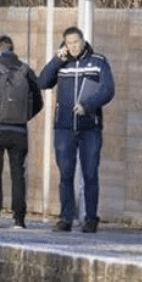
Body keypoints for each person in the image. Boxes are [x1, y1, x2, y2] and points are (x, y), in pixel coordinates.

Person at [37, 26, 115, 233]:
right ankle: (66, 218)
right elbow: (42, 82)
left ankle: (91, 219)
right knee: (66, 175)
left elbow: (108, 90)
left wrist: (87, 106)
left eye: (76, 42)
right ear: (64, 44)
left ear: (82, 41)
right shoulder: (62, 64)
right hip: (64, 128)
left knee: (90, 174)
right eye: (69, 43)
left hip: (90, 128)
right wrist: (56, 60)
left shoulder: (98, 61)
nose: (73, 46)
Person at [0, 35, 43, 229]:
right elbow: (39, 102)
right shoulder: (26, 71)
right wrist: (23, 117)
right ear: (12, 49)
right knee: (18, 174)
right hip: (19, 131)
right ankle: (19, 219)